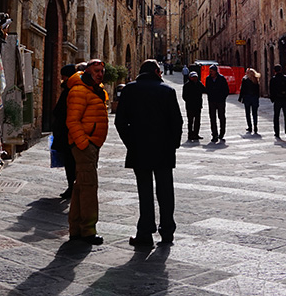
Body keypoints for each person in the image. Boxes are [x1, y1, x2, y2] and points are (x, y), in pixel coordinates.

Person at [114, 59, 184, 247]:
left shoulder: (129, 90)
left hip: (139, 148)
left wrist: (131, 143)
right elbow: (177, 122)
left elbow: (120, 122)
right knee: (166, 190)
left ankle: (145, 233)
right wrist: (173, 145)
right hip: (163, 149)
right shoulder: (167, 91)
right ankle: (167, 231)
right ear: (156, 72)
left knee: (144, 191)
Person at [65, 58, 109, 245]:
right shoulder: (79, 91)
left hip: (92, 144)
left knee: (80, 187)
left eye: (102, 71)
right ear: (88, 72)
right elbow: (72, 120)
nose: (100, 74)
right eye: (96, 71)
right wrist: (84, 144)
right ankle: (88, 231)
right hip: (85, 146)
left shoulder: (95, 90)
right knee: (89, 187)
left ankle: (76, 229)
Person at [51, 64, 78, 198]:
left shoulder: (69, 90)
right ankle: (74, 187)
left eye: (63, 76)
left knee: (70, 161)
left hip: (67, 132)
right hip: (72, 132)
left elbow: (59, 111)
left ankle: (72, 187)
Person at [204, 64, 230, 143]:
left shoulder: (221, 78)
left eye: (212, 71)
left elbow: (226, 90)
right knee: (212, 118)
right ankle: (214, 134)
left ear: (216, 71)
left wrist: (222, 98)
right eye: (210, 71)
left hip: (220, 101)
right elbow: (207, 89)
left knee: (221, 116)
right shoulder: (208, 79)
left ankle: (222, 133)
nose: (210, 72)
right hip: (212, 101)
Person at [269, 64, 286, 141]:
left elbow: (271, 90)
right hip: (285, 99)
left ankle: (277, 132)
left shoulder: (273, 79)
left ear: (274, 71)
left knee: (276, 116)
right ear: (281, 70)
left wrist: (273, 99)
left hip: (277, 100)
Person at [181, 71, 205, 141]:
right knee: (190, 121)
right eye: (193, 77)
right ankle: (190, 134)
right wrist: (189, 101)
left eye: (195, 77)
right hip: (190, 106)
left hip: (198, 106)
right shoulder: (187, 85)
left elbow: (204, 90)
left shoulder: (199, 84)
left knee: (197, 121)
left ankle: (196, 134)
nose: (194, 78)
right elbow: (184, 96)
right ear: (190, 77)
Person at [238, 68, 261, 134]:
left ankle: (250, 127)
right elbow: (258, 90)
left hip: (247, 98)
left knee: (248, 113)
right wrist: (257, 97)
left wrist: (240, 98)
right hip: (254, 98)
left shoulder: (245, 80)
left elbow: (242, 90)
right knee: (255, 113)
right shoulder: (256, 80)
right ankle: (255, 126)